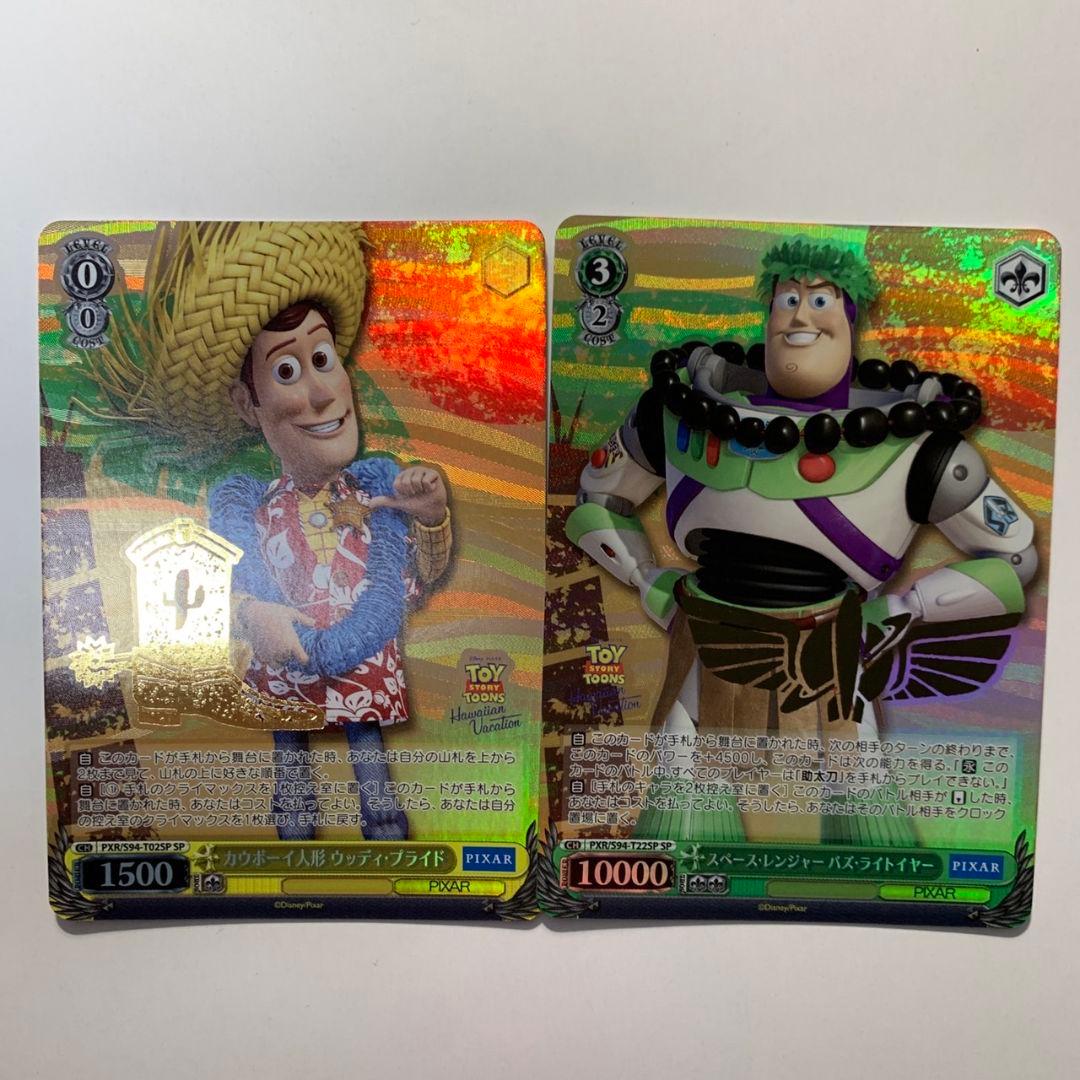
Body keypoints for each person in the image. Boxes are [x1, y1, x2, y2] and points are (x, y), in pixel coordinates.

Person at [567, 237, 1035, 844]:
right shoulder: (677, 414)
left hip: (832, 648)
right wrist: (646, 578)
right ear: (768, 313)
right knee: (684, 792)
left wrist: (902, 609)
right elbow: (600, 498)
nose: (799, 316)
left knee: (859, 791)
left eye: (819, 300)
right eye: (788, 299)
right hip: (706, 632)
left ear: (850, 319)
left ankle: (874, 868)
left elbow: (1012, 555)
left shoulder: (921, 448)